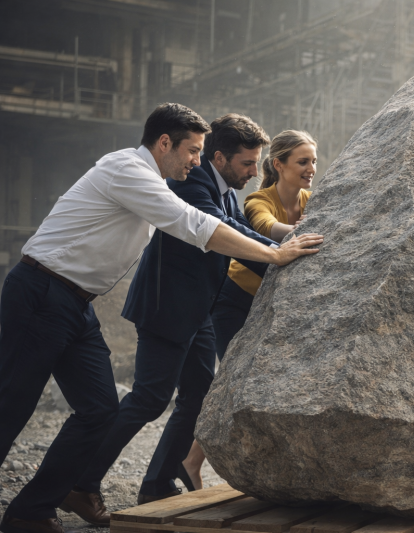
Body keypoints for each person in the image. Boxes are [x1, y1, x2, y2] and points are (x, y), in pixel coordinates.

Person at [0, 103, 322, 533]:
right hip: (42, 291)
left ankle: (32, 509)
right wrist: (274, 254)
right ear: (164, 143)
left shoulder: (160, 181)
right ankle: (54, 499)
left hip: (77, 303)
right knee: (13, 402)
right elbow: (194, 223)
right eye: (192, 150)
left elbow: (207, 219)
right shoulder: (128, 171)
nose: (197, 160)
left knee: (99, 409)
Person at [60, 114, 285, 524]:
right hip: (167, 307)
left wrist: (279, 265)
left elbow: (231, 229)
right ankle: (81, 484)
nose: (256, 172)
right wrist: (278, 257)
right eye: (248, 164)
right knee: (149, 398)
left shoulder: (225, 190)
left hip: (197, 310)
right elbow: (222, 230)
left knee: (200, 395)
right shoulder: (191, 183)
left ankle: (158, 482)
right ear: (220, 157)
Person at [179, 130, 318, 491]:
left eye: (314, 161)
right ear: (280, 165)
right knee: (234, 384)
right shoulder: (259, 199)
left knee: (254, 385)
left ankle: (191, 461)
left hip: (274, 305)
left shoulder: (311, 199)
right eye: (303, 162)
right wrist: (298, 233)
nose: (311, 169)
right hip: (235, 302)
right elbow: (267, 228)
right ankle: (191, 463)